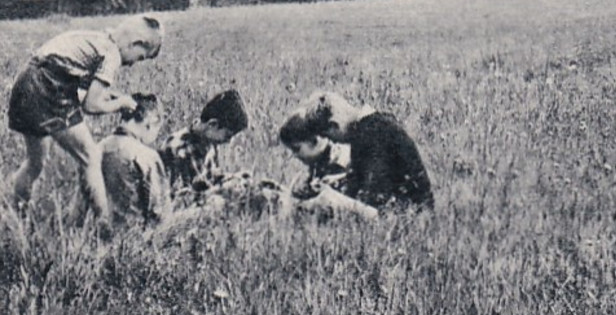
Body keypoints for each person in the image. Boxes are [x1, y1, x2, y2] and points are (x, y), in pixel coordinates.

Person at [8, 15, 163, 224]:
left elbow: (77, 85)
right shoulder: (113, 55)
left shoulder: (99, 39)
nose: (134, 63)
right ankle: (103, 222)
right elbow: (91, 105)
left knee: (36, 162)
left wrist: (110, 96)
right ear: (136, 43)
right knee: (90, 156)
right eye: (141, 57)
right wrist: (121, 103)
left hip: (27, 82)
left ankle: (15, 216)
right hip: (48, 89)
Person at [279, 91, 434, 218]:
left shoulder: (372, 133)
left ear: (334, 126)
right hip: (410, 209)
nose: (334, 141)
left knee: (328, 203)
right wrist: (337, 183)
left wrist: (335, 198)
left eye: (329, 136)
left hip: (410, 215)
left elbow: (373, 199)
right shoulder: (372, 125)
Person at [160, 88, 260, 208]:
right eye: (228, 135)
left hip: (202, 197)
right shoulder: (181, 148)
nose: (229, 141)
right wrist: (222, 190)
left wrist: (235, 178)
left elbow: (210, 177)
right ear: (212, 124)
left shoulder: (207, 141)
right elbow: (182, 195)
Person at [101, 93, 171, 227]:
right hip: (133, 238)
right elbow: (160, 213)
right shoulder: (147, 156)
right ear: (150, 123)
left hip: (92, 235)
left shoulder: (96, 149)